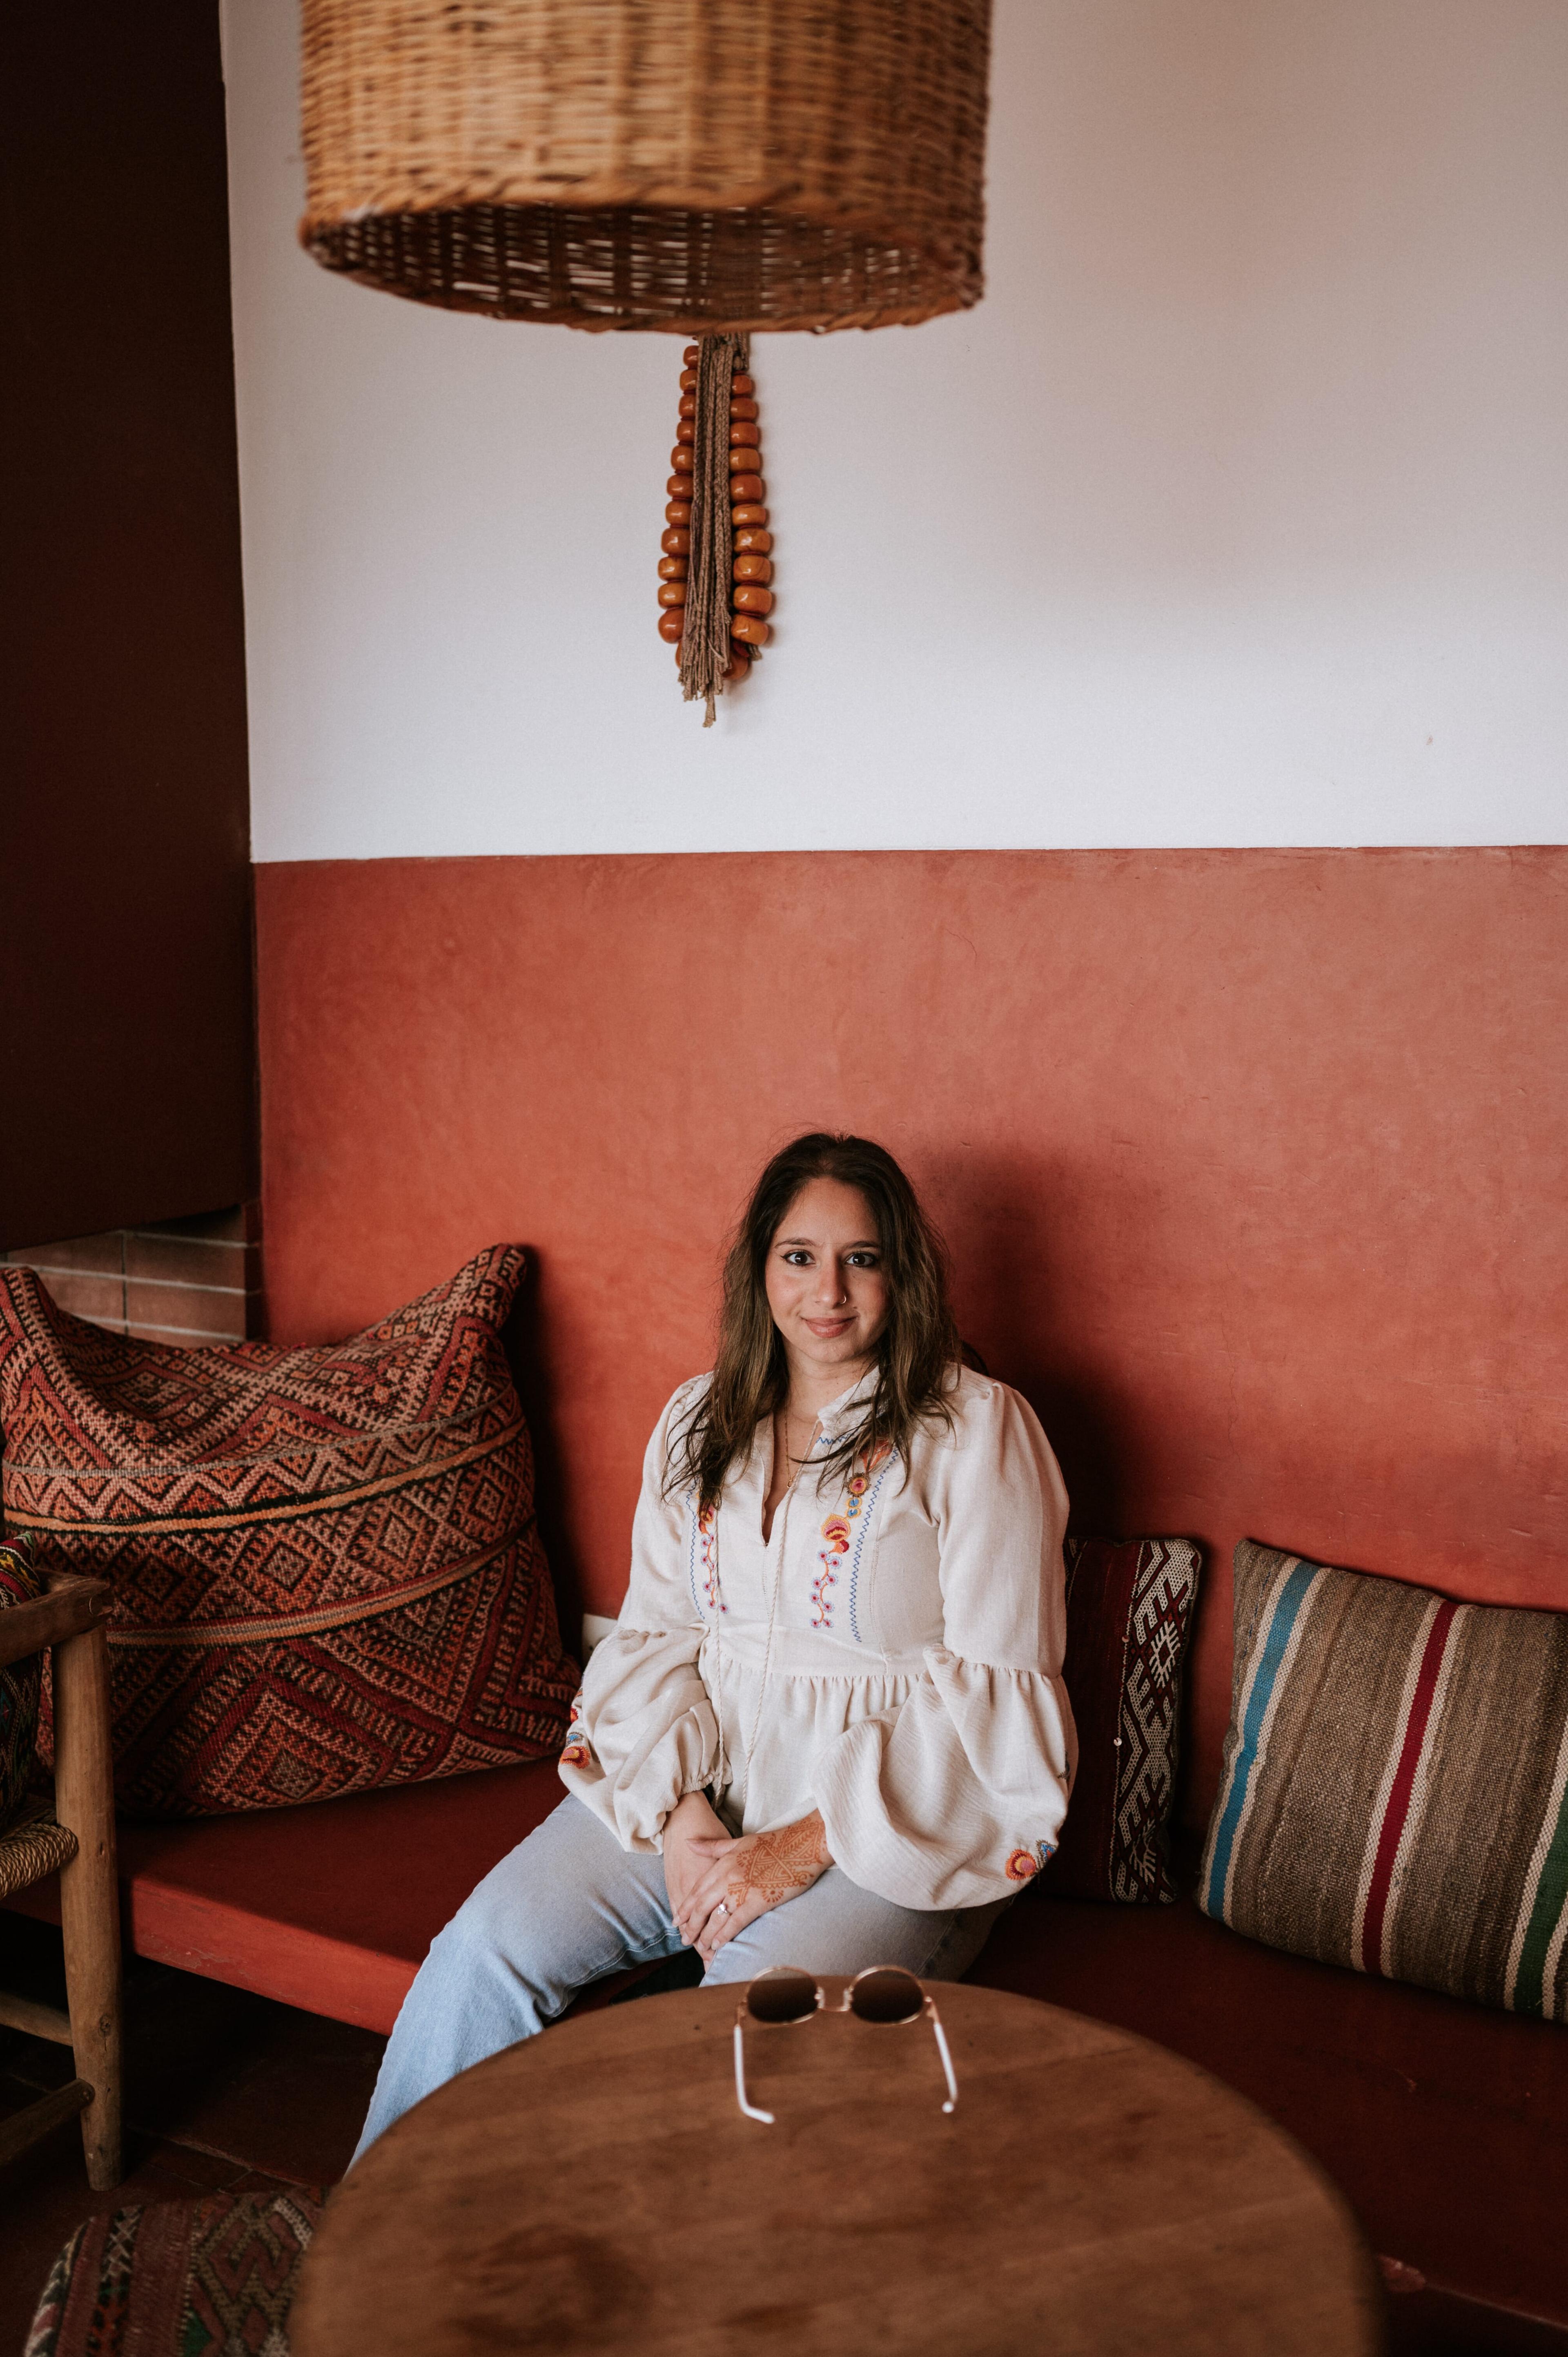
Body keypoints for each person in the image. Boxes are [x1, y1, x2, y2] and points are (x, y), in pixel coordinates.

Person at [352, 1132, 1075, 2160]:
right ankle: (387, 2265)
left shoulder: (976, 1431)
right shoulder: (698, 1418)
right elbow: (655, 1637)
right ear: (761, 1270)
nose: (828, 1290)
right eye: (798, 1257)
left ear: (901, 1273)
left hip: (887, 1837)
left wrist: (795, 1849)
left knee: (731, 2048)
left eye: (860, 1258)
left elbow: (996, 1704)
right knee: (480, 1956)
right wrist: (683, 1816)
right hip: (697, 1785)